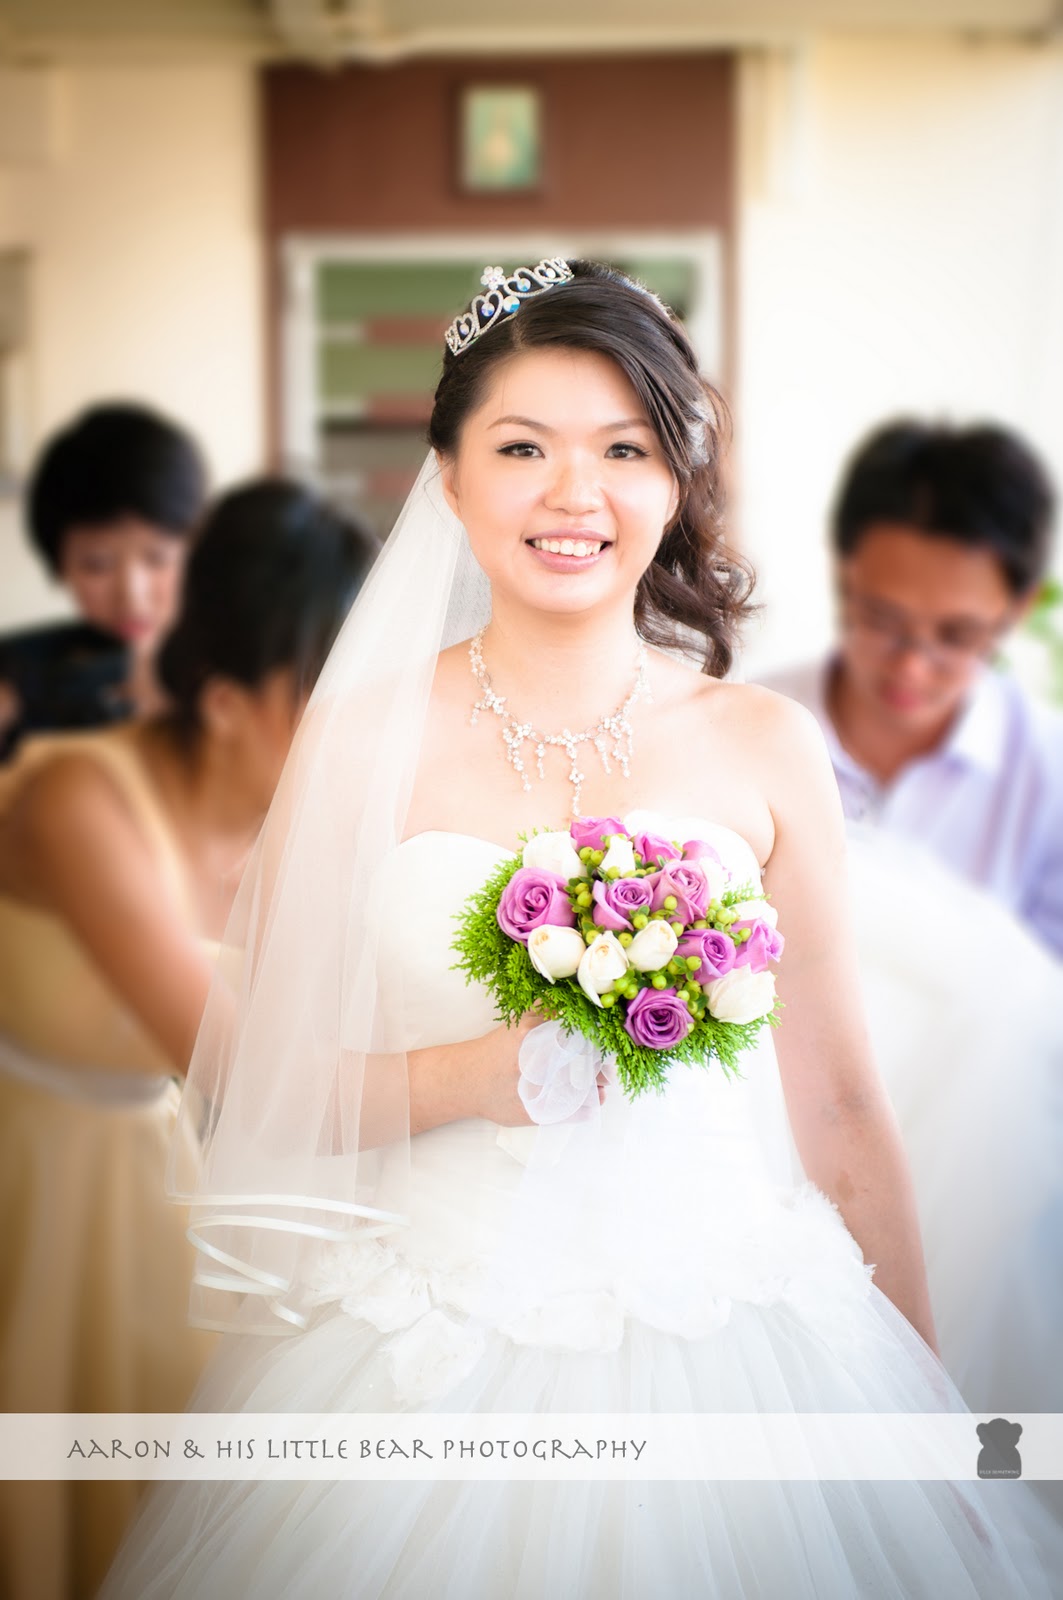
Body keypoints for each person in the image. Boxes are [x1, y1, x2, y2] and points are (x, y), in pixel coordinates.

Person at [102, 263, 1057, 1599]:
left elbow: (840, 1106)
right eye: (520, 448)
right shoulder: (362, 738)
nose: (574, 493)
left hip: (737, 1331)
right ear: (446, 476)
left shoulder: (765, 744)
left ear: (674, 479)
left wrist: (941, 1437)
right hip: (416, 1353)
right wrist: (474, 1080)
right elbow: (252, 1080)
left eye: (621, 448)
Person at [0, 480, 377, 1600]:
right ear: (222, 701)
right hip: (33, 1199)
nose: (349, 734)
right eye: (314, 698)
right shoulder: (78, 799)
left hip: (175, 1206)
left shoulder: (311, 828)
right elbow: (239, 1061)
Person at [761, 420, 1062, 958]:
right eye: (882, 620)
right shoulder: (746, 726)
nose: (912, 667)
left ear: (1017, 609)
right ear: (845, 575)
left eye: (957, 636)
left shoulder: (1049, 775)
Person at [0, 402, 208, 759]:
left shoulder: (232, 668)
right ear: (60, 565)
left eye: (157, 558)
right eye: (97, 565)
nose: (132, 595)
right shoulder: (19, 671)